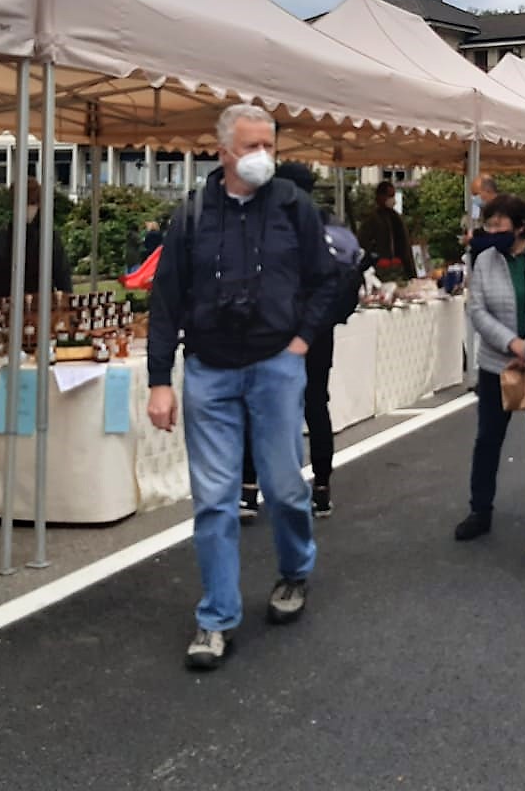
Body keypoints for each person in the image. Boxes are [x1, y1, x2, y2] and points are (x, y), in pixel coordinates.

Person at [146, 105, 338, 672]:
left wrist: (302, 340)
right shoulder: (193, 215)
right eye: (252, 146)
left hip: (276, 364)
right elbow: (165, 300)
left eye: (269, 147)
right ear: (223, 150)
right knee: (214, 500)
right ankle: (215, 617)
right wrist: (160, 380)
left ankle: (295, 569)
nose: (262, 157)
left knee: (283, 487)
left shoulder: (293, 208)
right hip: (209, 368)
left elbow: (327, 281)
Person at [240, 163, 350, 521]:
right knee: (316, 404)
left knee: (259, 405)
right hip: (318, 332)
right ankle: (322, 487)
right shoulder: (327, 226)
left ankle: (249, 487)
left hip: (273, 330)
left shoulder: (270, 224)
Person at [456, 194, 525, 541]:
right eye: (488, 224)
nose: (491, 231)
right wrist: (513, 344)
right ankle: (480, 509)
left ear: (521, 226)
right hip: (497, 363)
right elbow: (477, 310)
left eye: (498, 225)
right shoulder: (485, 259)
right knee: (488, 439)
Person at [0, 177, 73, 298]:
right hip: (6, 306)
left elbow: (63, 279)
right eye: (23, 204)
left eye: (31, 204)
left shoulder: (49, 238)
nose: (27, 210)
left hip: (39, 306)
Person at [358, 178, 416, 276]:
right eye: (390, 196)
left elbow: (404, 244)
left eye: (393, 196)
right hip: (380, 269)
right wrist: (375, 258)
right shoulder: (372, 219)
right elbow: (363, 242)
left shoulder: (395, 216)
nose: (393, 199)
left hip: (399, 268)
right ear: (380, 196)